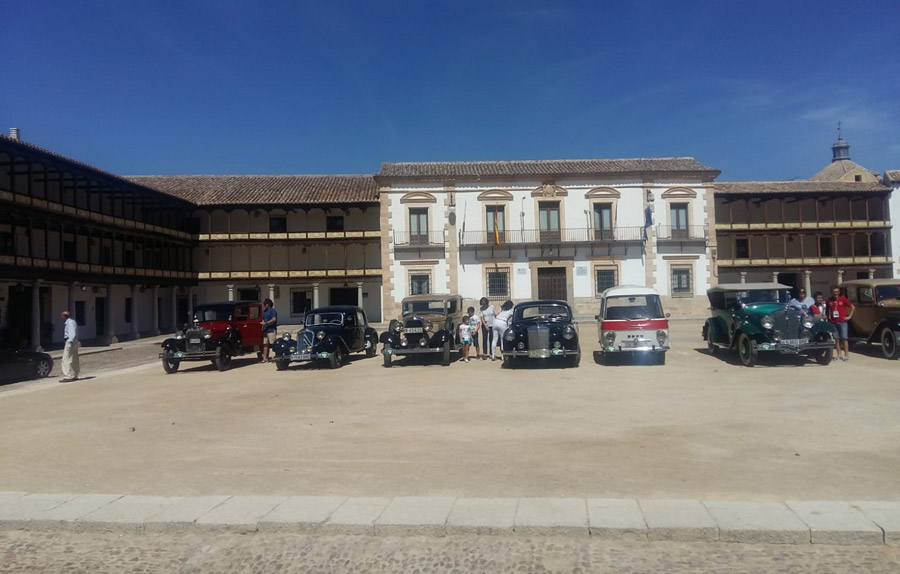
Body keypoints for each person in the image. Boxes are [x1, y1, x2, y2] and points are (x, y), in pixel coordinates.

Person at [827, 285, 855, 362]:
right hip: (833, 322)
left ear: (839, 292)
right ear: (832, 292)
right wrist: (828, 319)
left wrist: (849, 316)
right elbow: (827, 310)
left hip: (842, 322)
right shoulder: (829, 300)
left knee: (844, 338)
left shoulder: (843, 299)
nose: (836, 293)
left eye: (837, 292)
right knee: (836, 339)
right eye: (834, 292)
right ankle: (839, 355)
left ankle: (846, 355)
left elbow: (852, 307)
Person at [59, 310, 80, 383]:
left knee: (66, 359)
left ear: (65, 316)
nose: (61, 318)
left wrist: (70, 342)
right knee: (74, 358)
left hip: (70, 341)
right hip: (74, 341)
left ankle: (68, 376)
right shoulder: (73, 322)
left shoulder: (69, 323)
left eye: (62, 316)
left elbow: (72, 333)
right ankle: (75, 374)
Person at [261, 298, 278, 363]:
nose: (265, 305)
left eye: (266, 303)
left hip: (271, 330)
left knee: (273, 344)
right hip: (265, 330)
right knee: (265, 344)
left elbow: (274, 319)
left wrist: (266, 323)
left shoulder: (273, 311)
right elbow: (263, 319)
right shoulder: (264, 312)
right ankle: (265, 358)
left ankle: (277, 356)